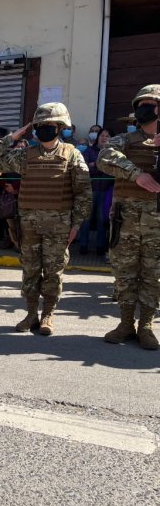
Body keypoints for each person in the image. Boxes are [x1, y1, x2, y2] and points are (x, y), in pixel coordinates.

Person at [0, 102, 91, 335]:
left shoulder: (72, 155)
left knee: (53, 273)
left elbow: (83, 193)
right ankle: (31, 314)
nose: (44, 129)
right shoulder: (25, 155)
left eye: (49, 125)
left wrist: (76, 225)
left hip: (59, 226)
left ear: (60, 126)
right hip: (29, 225)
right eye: (40, 125)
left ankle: (48, 315)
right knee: (30, 272)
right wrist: (12, 137)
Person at [97, 84, 160, 350]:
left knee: (153, 275)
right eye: (141, 104)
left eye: (151, 104)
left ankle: (145, 325)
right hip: (127, 221)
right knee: (125, 274)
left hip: (156, 222)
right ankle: (125, 323)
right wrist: (137, 174)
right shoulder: (125, 139)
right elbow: (105, 157)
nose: (145, 109)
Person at [78, 128, 114, 256]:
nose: (104, 138)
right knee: (86, 219)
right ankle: (83, 245)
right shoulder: (89, 151)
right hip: (90, 190)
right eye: (102, 135)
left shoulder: (113, 152)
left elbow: (112, 170)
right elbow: (84, 168)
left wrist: (96, 166)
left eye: (107, 135)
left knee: (102, 219)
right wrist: (98, 167)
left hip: (106, 191)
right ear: (98, 137)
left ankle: (100, 246)